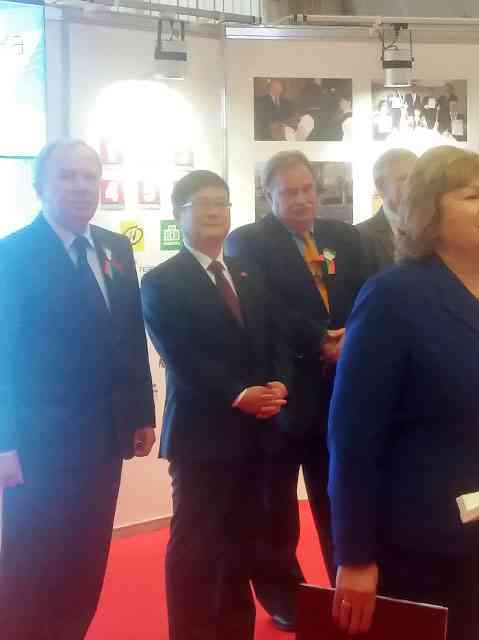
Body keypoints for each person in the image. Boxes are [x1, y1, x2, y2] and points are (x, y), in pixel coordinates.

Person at [328, 146, 479, 640]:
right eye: (470, 195)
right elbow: (351, 438)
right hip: (422, 541)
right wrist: (354, 557)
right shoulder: (394, 297)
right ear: (428, 212)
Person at [0, 139, 156, 638]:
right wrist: (4, 443)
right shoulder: (12, 254)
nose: (81, 186)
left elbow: (130, 334)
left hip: (104, 435)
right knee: (32, 560)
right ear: (39, 186)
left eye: (90, 176)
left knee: (88, 553)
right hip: (38, 443)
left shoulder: (115, 247)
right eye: (67, 176)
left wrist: (141, 412)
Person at [225, 151, 376, 631]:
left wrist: (351, 338)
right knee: (276, 508)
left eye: (307, 189)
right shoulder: (247, 242)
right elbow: (263, 307)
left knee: (339, 496)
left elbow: (370, 293)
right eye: (288, 192)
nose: (301, 199)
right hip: (285, 391)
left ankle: (345, 589)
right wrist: (320, 340)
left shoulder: (344, 236)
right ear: (268, 195)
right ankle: (283, 596)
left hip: (342, 391)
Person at [141, 171, 290, 640]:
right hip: (202, 436)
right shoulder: (162, 281)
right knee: (197, 544)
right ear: (178, 214)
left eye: (222, 203)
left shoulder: (247, 273)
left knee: (243, 540)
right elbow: (180, 354)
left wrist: (279, 382)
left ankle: (233, 629)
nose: (214, 212)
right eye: (202, 203)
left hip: (255, 434)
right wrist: (238, 393)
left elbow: (274, 335)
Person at [357, 148, 418, 271]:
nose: (415, 185)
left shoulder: (435, 230)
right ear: (380, 186)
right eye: (404, 178)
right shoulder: (359, 237)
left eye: (418, 178)